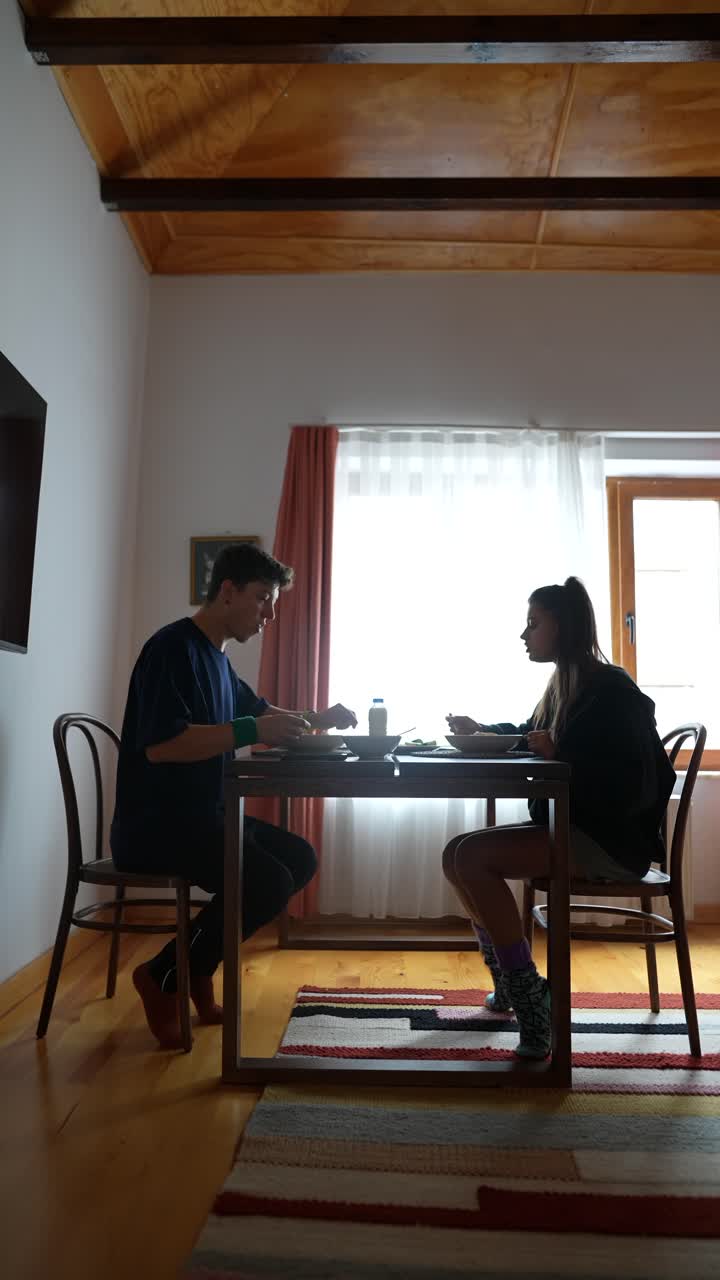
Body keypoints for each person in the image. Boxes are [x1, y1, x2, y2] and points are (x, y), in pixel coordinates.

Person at [110, 541, 357, 1049]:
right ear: (228, 591)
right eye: (263, 599)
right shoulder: (171, 649)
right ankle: (163, 975)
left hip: (205, 819)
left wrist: (319, 718)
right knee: (266, 880)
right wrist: (250, 728)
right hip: (157, 826)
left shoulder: (220, 665)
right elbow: (162, 747)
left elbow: (264, 717)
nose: (268, 613)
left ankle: (195, 966)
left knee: (299, 858)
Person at [443, 575, 675, 1060]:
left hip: (609, 843)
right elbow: (532, 734)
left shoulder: (611, 689)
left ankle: (532, 1000)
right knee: (456, 854)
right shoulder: (565, 684)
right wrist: (485, 730)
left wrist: (562, 753)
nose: (524, 634)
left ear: (562, 626)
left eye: (533, 623)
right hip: (572, 829)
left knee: (471, 858)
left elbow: (636, 779)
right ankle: (512, 984)